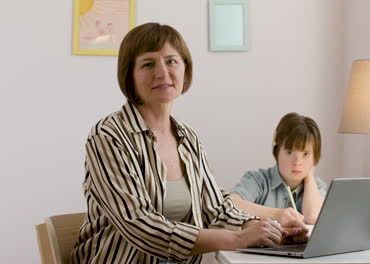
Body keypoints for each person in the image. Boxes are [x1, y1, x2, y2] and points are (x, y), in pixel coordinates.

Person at [70, 23, 308, 264]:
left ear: (185, 69)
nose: (162, 72)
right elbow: (138, 224)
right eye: (148, 64)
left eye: (171, 61)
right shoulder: (108, 136)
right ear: (129, 75)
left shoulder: (188, 138)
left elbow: (217, 209)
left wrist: (263, 229)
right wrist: (236, 239)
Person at [230, 113, 327, 226]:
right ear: (277, 151)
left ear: (315, 156)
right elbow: (232, 203)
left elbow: (313, 218)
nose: (297, 162)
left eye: (306, 154)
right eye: (289, 152)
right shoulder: (258, 180)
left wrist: (309, 175)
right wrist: (276, 214)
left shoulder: (318, 187)